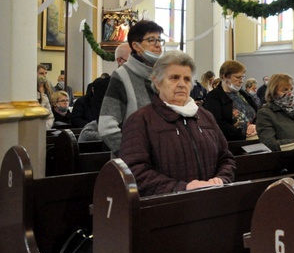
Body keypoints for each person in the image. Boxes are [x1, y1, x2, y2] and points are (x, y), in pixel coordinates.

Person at [119, 51, 235, 196]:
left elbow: (226, 158)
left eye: (187, 79)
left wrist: (221, 179)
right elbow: (134, 170)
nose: (181, 84)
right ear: (157, 82)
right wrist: (181, 188)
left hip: (212, 201)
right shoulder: (141, 120)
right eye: (174, 78)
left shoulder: (205, 116)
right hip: (168, 208)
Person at [99, 20, 165, 155]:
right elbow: (106, 126)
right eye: (152, 40)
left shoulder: (165, 75)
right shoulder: (122, 76)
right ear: (136, 45)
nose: (158, 45)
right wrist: (133, 153)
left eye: (159, 40)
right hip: (134, 163)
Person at [255, 73, 294, 151]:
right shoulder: (265, 113)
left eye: (291, 89)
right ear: (273, 91)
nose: (289, 94)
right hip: (282, 159)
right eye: (285, 90)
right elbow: (269, 144)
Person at [203, 61, 258, 142]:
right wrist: (243, 133)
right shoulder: (213, 97)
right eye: (238, 77)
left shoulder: (243, 94)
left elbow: (256, 112)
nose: (241, 81)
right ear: (225, 76)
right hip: (232, 142)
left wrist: (255, 126)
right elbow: (217, 123)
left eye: (243, 77)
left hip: (253, 137)